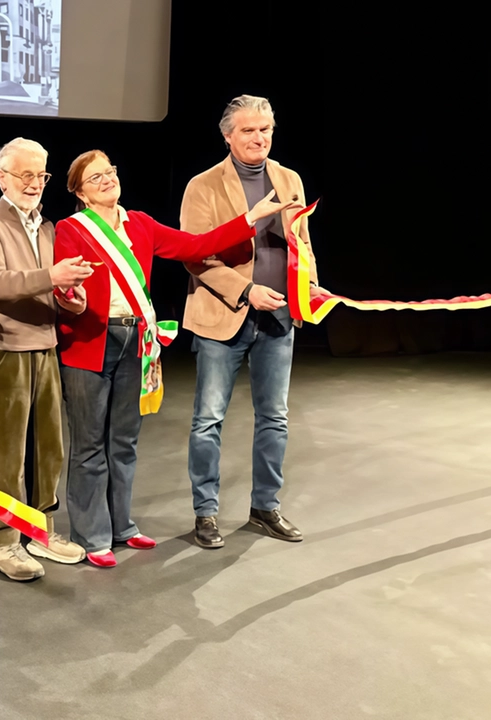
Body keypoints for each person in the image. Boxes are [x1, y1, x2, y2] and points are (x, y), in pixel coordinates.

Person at [55, 149, 296, 568]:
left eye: (110, 171)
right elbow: (64, 287)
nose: (107, 180)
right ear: (80, 192)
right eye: (95, 178)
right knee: (89, 444)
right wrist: (68, 295)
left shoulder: (141, 224)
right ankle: (92, 536)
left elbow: (198, 245)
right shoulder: (71, 229)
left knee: (125, 440)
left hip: (138, 339)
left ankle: (121, 527)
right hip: (91, 342)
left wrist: (249, 219)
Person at [180, 95, 317, 548]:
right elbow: (195, 256)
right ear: (228, 135)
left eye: (266, 130)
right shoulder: (203, 185)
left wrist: (310, 286)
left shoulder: (289, 178)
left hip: (279, 318)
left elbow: (303, 244)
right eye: (249, 130)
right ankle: (205, 514)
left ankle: (265, 507)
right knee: (208, 419)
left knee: (274, 417)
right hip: (225, 317)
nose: (259, 138)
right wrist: (246, 291)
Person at [0, 137, 90, 581]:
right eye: (26, 175)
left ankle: (40, 531)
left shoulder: (48, 226)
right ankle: (2, 542)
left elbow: (50, 288)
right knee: (9, 450)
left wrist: (71, 295)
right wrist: (51, 276)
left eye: (42, 175)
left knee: (49, 448)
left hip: (44, 344)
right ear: (3, 177)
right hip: (4, 348)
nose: (35, 183)